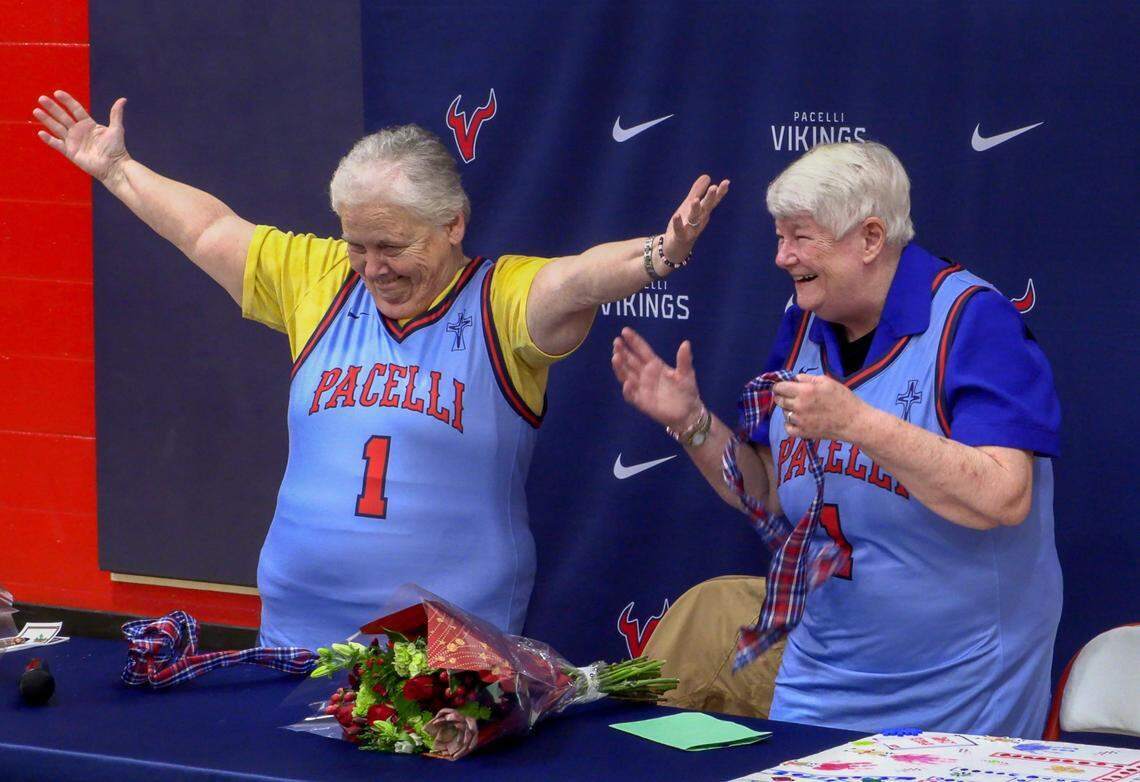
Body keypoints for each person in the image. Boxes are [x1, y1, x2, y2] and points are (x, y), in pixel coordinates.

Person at [33, 90, 728, 651]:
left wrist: (660, 253)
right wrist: (117, 170)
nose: (372, 268)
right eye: (356, 244)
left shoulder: (500, 298)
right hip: (295, 640)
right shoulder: (319, 279)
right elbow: (208, 230)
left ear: (453, 224)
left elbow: (577, 281)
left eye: (392, 245)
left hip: (448, 654)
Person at [611, 141, 1061, 737]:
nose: (781, 257)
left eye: (800, 236)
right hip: (818, 683)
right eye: (778, 237)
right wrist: (692, 421)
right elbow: (767, 491)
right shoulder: (804, 323)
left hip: (957, 695)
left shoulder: (972, 321)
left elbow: (1005, 496)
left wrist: (857, 423)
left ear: (871, 239)